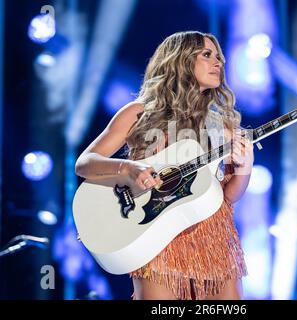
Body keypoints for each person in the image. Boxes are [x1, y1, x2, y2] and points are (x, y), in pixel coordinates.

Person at [75, 31, 254, 300]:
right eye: (207, 55)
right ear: (179, 60)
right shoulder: (138, 113)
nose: (219, 62)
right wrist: (128, 169)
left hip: (213, 237)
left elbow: (228, 197)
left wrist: (245, 166)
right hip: (155, 234)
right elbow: (86, 163)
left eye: (219, 56)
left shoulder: (223, 126)